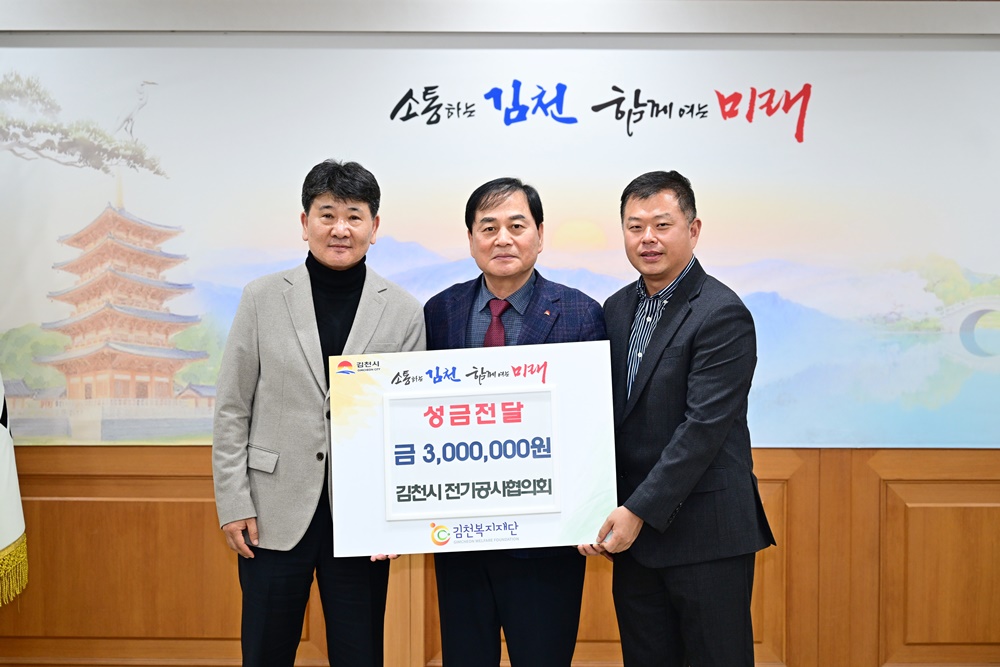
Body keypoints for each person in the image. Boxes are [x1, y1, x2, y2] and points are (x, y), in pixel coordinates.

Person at [212, 159, 425, 667]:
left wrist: (396, 519)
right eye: (327, 214)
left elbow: (409, 423)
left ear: (375, 226)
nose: (340, 229)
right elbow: (232, 407)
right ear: (304, 222)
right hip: (270, 512)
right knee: (266, 651)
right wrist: (233, 501)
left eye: (354, 216)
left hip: (363, 520)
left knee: (359, 654)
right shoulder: (262, 298)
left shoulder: (403, 310)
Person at [579, 170, 775, 667]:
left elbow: (701, 430)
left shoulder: (721, 312)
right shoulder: (615, 309)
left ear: (694, 229)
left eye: (662, 225)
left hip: (706, 535)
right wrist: (586, 506)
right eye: (635, 226)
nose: (647, 238)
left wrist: (636, 511)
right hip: (635, 543)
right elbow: (602, 418)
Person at [424, 177, 606, 667]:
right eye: (488, 227)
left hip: (546, 544)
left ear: (540, 235)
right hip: (460, 539)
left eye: (516, 226)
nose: (502, 239)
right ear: (470, 239)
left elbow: (594, 426)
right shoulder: (440, 312)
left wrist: (591, 510)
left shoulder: (581, 314)